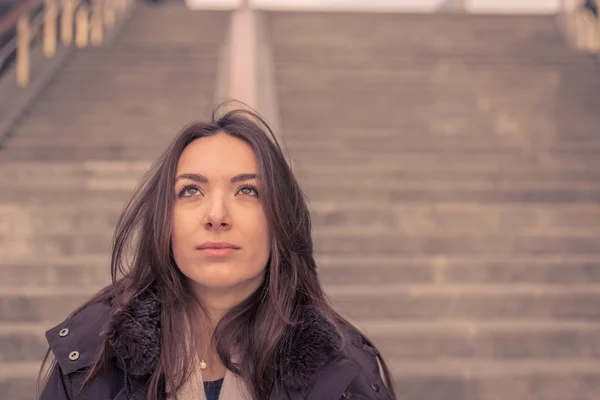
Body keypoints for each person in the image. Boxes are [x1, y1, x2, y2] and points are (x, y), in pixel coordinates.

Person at [38, 105, 397, 400]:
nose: (217, 216)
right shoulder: (91, 358)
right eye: (191, 191)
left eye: (248, 191)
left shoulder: (346, 373)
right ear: (164, 219)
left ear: (281, 221)